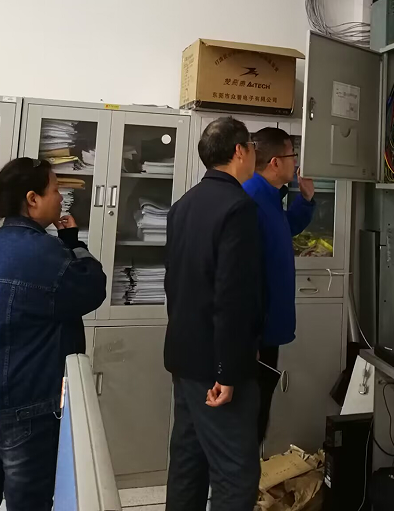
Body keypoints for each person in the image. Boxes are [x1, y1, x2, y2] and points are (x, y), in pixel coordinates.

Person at [0, 157, 107, 511]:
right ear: (33, 199)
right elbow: (92, 288)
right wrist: (73, 242)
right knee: (28, 501)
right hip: (27, 403)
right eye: (55, 190)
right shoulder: (46, 253)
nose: (60, 198)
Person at [164, 117, 262, 511]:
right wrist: (228, 372)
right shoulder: (239, 208)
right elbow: (231, 297)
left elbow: (176, 284)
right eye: (252, 146)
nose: (254, 154)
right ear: (239, 151)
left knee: (188, 465)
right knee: (236, 475)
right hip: (215, 367)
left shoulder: (183, 205)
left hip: (184, 357)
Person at [243, 128, 315, 444]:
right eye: (292, 155)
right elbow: (242, 277)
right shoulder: (250, 199)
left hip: (267, 330)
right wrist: (250, 338)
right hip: (256, 334)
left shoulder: (269, 196)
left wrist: (306, 199)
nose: (296, 162)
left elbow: (286, 227)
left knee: (258, 415)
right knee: (249, 419)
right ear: (275, 162)